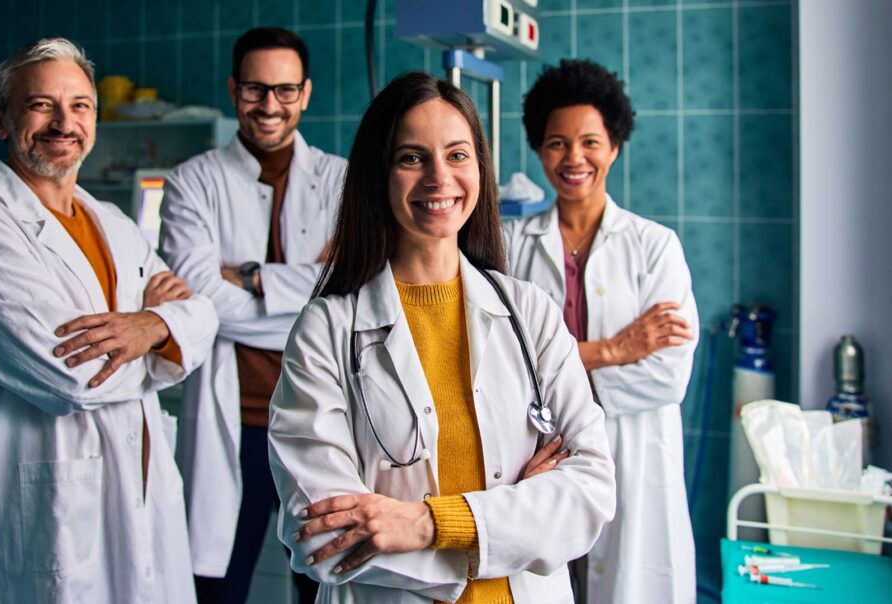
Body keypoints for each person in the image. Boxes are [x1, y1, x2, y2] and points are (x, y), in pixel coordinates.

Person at [267, 71, 616, 604]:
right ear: (377, 174)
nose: (439, 177)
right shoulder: (326, 331)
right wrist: (517, 517)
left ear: (479, 168)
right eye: (412, 157)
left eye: (457, 155)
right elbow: (322, 538)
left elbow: (589, 492)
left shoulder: (530, 314)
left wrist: (424, 523)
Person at [0, 38, 218, 602]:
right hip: (52, 498)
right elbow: (71, 374)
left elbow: (202, 313)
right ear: (0, 120)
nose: (63, 123)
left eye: (80, 106)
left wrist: (152, 327)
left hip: (143, 485)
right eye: (40, 105)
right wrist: (163, 330)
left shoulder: (113, 222)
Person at [158, 27, 346, 603]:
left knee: (323, 586)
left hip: (317, 424)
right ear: (232, 89)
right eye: (255, 89)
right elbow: (199, 302)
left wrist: (248, 276)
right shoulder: (191, 182)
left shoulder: (343, 181)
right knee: (218, 587)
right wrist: (308, 292)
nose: (270, 105)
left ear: (306, 93)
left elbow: (350, 295)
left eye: (285, 90)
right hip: (233, 424)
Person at [504, 59, 700, 603]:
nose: (574, 158)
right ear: (538, 149)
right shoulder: (510, 244)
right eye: (557, 143)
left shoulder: (654, 248)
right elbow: (502, 364)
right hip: (539, 460)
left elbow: (667, 375)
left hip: (630, 454)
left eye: (590, 142)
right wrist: (617, 349)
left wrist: (555, 375)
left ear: (614, 146)